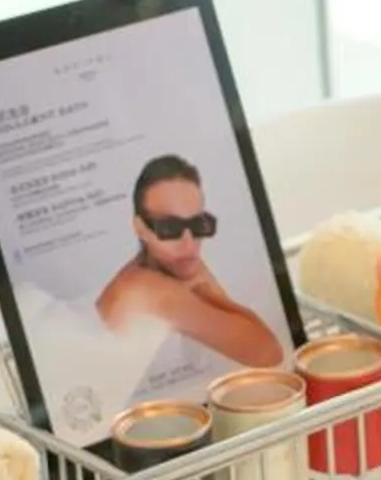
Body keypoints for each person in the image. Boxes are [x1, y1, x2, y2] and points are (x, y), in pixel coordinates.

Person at [96, 154, 283, 367]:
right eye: (169, 228)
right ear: (140, 229)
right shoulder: (148, 291)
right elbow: (268, 352)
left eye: (198, 225)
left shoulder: (171, 263)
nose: (189, 244)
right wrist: (205, 289)